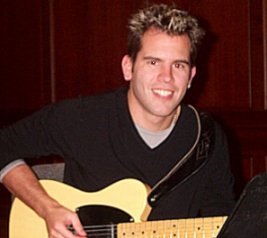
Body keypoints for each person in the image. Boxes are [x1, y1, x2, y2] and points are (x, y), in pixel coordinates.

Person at [0, 3, 235, 238]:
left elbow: (222, 218)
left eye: (178, 65)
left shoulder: (207, 137)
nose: (167, 77)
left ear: (191, 76)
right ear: (128, 68)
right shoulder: (82, 118)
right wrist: (47, 208)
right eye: (153, 62)